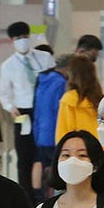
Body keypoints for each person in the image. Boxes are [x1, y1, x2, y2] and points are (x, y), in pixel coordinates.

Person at [0, 22, 54, 200]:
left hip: (44, 111)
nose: (21, 41)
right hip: (22, 113)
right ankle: (25, 198)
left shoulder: (44, 57)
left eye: (24, 37)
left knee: (46, 153)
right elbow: (4, 94)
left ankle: (46, 194)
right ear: (11, 41)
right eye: (17, 38)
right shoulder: (7, 66)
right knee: (24, 156)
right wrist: (10, 108)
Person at [33, 56, 70, 200]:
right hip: (54, 132)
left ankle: (37, 197)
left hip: (41, 131)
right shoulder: (61, 83)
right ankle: (55, 197)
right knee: (55, 167)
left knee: (40, 162)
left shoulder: (42, 80)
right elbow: (58, 109)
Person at [56, 54, 102, 140]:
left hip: (78, 149)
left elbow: (63, 131)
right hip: (102, 148)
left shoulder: (69, 99)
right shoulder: (100, 99)